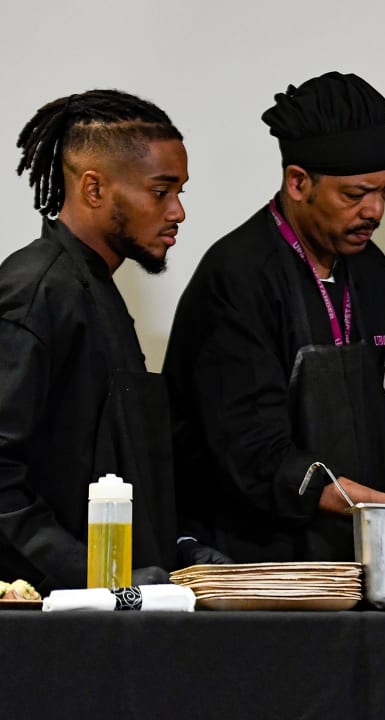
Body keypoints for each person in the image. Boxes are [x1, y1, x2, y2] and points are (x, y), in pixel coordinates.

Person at [164, 72, 385, 562]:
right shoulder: (238, 276)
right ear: (297, 182)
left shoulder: (375, 273)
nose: (375, 211)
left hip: (356, 556)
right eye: (355, 195)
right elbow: (251, 455)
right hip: (251, 561)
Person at [0, 89, 189, 591]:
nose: (177, 212)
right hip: (48, 633)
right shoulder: (37, 291)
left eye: (180, 193)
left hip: (111, 611)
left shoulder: (97, 289)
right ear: (93, 188)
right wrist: (91, 574)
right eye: (160, 191)